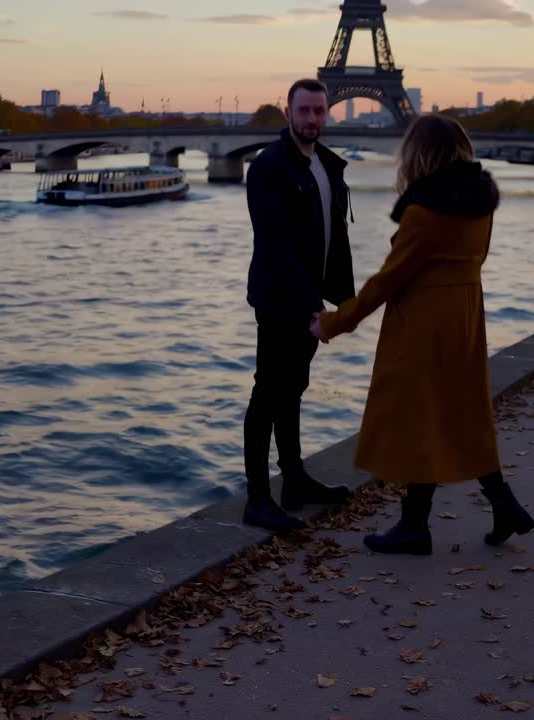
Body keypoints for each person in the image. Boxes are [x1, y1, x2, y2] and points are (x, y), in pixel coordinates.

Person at [310, 114, 534, 554]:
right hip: (466, 317)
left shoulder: (424, 212)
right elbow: (477, 259)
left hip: (424, 323)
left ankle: (415, 528)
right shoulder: (480, 202)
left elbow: (387, 282)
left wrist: (334, 322)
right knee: (461, 414)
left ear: (419, 155)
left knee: (418, 417)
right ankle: (502, 505)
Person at [242, 79, 357, 532]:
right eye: (305, 111)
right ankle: (257, 499)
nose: (312, 119)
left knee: (293, 390)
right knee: (268, 393)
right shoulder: (271, 167)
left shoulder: (325, 165)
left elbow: (333, 238)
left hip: (311, 299)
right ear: (287, 112)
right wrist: (314, 306)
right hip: (280, 300)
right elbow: (275, 245)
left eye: (319, 111)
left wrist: (344, 300)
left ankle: (293, 481)